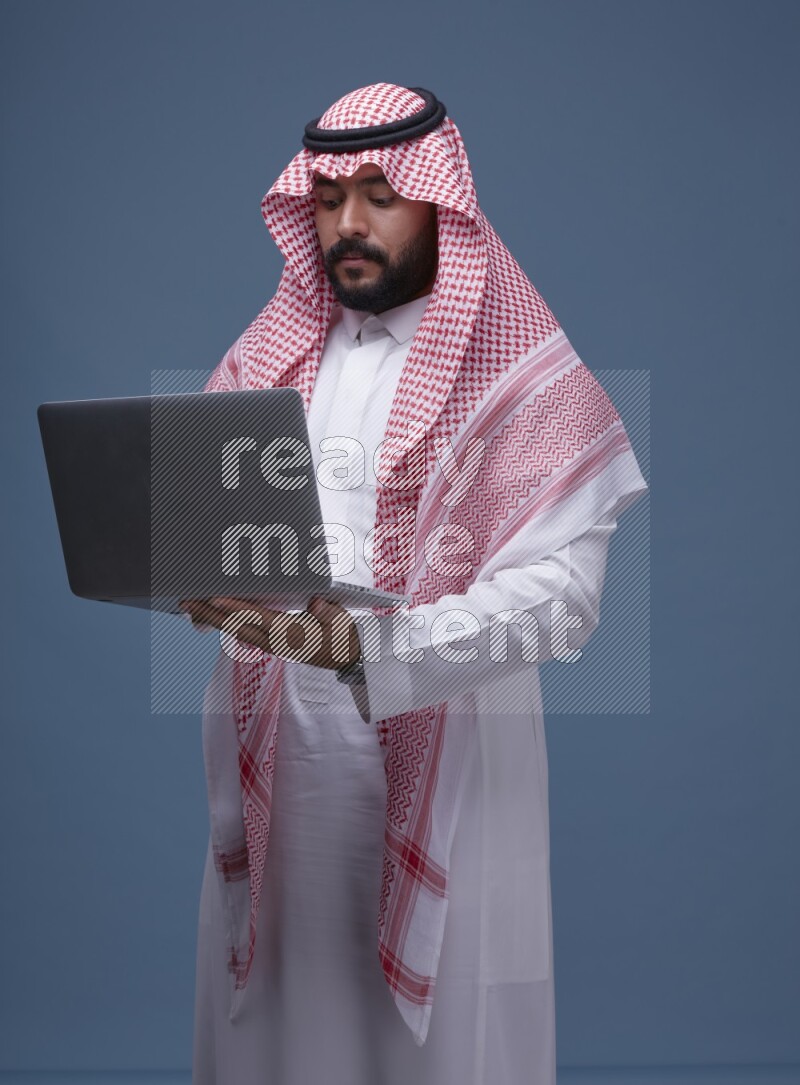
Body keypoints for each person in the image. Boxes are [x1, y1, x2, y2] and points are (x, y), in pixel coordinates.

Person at [184, 83, 648, 1085]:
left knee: (436, 1050)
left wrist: (366, 647)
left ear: (441, 203)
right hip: (284, 761)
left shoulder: (522, 379)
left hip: (451, 761)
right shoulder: (264, 363)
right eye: (327, 196)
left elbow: (561, 599)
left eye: (380, 194)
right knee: (283, 1030)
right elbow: (215, 541)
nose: (347, 223)